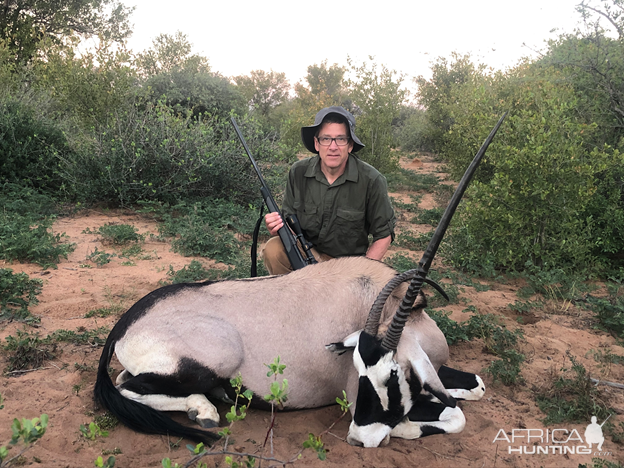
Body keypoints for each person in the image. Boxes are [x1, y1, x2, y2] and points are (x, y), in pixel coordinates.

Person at [262, 106, 396, 275]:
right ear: (317, 143)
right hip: (308, 253)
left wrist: (361, 275)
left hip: (347, 267)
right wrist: (277, 227)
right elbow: (288, 222)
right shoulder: (298, 172)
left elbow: (384, 235)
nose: (333, 147)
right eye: (326, 139)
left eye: (340, 139)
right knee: (274, 249)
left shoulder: (372, 180)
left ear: (350, 145)